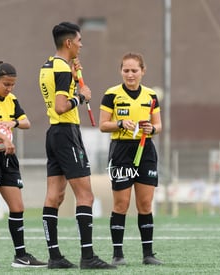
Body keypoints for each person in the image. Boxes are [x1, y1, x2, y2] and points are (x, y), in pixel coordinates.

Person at [39, 22, 115, 270]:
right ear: (69, 42)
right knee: (86, 195)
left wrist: (74, 79)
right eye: (80, 40)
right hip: (66, 131)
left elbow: (56, 95)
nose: (82, 45)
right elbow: (61, 106)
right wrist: (82, 97)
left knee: (55, 196)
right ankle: (88, 256)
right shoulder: (61, 68)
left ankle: (54, 256)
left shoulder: (48, 65)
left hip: (53, 133)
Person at [0, 61, 46, 269]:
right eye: (6, 84)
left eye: (13, 84)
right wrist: (3, 138)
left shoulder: (12, 100)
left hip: (7, 155)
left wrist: (12, 123)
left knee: (17, 206)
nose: (9, 88)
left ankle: (21, 256)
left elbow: (26, 122)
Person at [99, 52, 163, 266]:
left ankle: (148, 254)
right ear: (121, 71)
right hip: (121, 151)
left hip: (145, 150)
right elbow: (102, 125)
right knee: (122, 204)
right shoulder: (112, 94)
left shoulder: (151, 96)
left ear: (142, 71)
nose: (130, 74)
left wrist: (151, 128)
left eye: (134, 70)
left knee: (145, 204)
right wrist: (119, 123)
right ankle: (118, 254)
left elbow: (158, 126)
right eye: (126, 70)